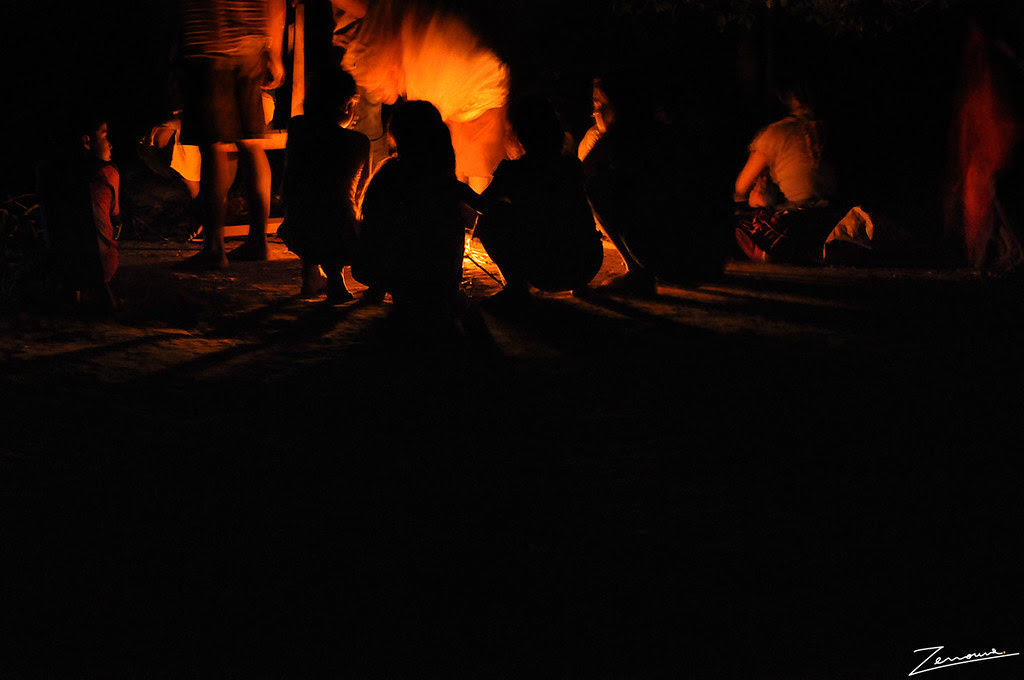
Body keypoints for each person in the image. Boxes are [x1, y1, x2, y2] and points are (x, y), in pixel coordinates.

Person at [582, 71, 727, 295]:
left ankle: (637, 274)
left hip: (677, 263)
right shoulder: (674, 135)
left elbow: (577, 178)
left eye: (599, 104)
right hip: (714, 261)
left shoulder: (617, 143)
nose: (595, 112)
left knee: (595, 184)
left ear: (619, 106)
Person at [174, 0, 286, 270]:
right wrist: (274, 53)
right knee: (252, 143)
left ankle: (214, 247)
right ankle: (259, 241)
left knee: (213, 146)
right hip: (250, 47)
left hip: (208, 46)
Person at [470, 94, 603, 308]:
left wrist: (459, 192)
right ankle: (579, 286)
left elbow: (483, 204)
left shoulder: (513, 171)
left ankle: (516, 288)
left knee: (490, 219)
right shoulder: (571, 165)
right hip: (588, 264)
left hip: (545, 271)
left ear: (520, 135)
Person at [354, 100, 468, 329]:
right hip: (440, 276)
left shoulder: (389, 174)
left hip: (393, 271)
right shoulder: (445, 179)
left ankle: (389, 290)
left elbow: (371, 226)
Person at [277, 67, 370, 302]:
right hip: (342, 236)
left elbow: (293, 179)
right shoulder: (359, 142)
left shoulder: (298, 128)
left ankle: (311, 275)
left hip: (296, 229)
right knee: (338, 210)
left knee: (312, 202)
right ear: (347, 105)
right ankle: (336, 281)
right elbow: (361, 194)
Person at [733, 80, 838, 263]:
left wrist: (756, 198)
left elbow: (741, 186)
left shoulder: (777, 132)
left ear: (790, 98)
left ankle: (773, 252)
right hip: (836, 217)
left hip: (799, 219)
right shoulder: (829, 128)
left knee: (741, 223)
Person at [37, 115, 121, 311]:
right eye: (105, 136)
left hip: (60, 265)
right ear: (86, 141)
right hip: (101, 265)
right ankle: (104, 299)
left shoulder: (47, 171)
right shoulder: (107, 173)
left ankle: (71, 294)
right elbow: (115, 216)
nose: (110, 144)